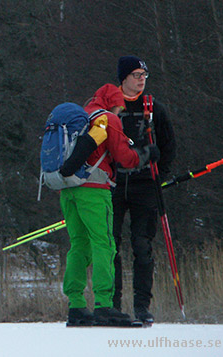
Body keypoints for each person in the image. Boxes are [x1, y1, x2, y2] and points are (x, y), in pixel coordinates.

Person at [58, 84, 159, 326]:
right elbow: (124, 158)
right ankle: (105, 305)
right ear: (112, 102)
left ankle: (76, 306)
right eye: (118, 106)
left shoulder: (83, 116)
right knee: (104, 244)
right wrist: (145, 154)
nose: (119, 111)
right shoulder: (107, 119)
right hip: (94, 190)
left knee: (78, 245)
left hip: (68, 189)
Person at [112, 56, 176, 324]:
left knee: (142, 245)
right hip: (112, 186)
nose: (141, 79)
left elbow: (169, 147)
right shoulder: (108, 108)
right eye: (136, 74)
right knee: (110, 246)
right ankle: (111, 304)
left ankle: (142, 306)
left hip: (145, 186)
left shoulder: (155, 109)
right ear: (123, 78)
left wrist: (159, 175)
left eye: (144, 75)